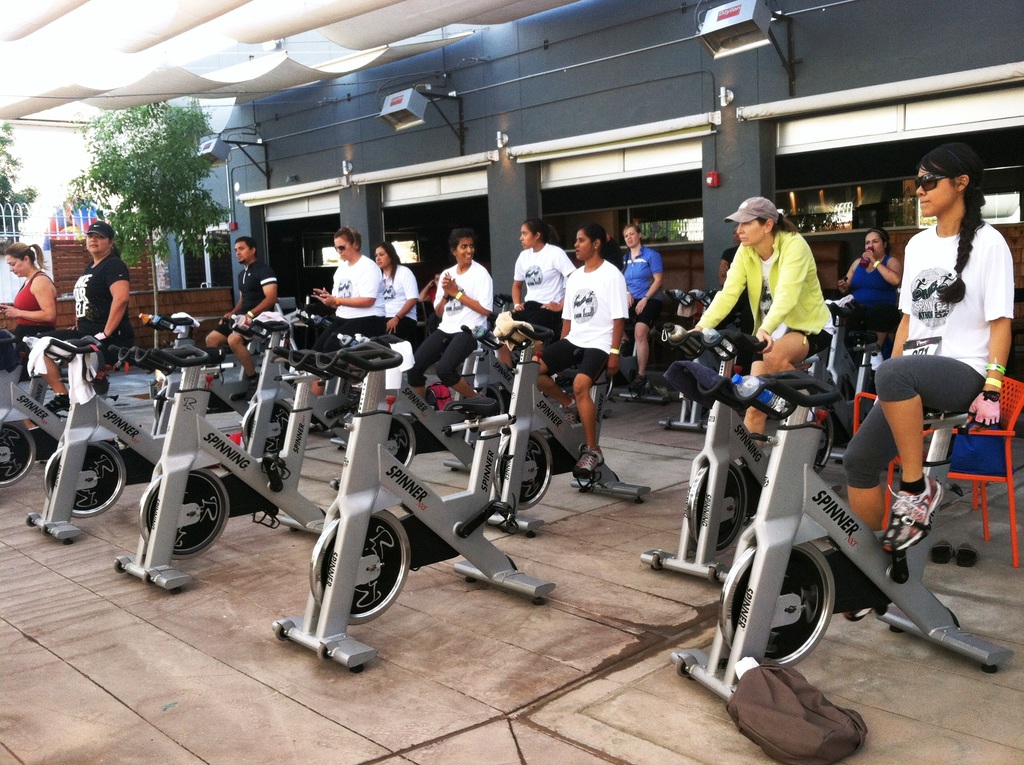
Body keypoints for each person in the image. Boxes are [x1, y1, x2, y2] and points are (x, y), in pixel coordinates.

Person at [844, 143, 1013, 553]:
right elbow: (907, 321)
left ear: (961, 183)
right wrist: (887, 386)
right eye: (917, 182)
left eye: (929, 181)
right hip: (912, 374)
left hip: (964, 371)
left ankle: (915, 487)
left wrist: (992, 387)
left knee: (893, 371)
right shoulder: (918, 245)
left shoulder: (990, 243)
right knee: (858, 461)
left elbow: (1001, 324)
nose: (918, 190)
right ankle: (873, 565)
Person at [696, 197, 831, 437]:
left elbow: (787, 295)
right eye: (738, 224)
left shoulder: (794, 245)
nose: (739, 230)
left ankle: (809, 413)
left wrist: (765, 328)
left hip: (809, 326)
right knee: (754, 406)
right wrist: (700, 328)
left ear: (768, 225)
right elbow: (728, 293)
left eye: (746, 224)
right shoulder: (745, 251)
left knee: (775, 357)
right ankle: (752, 461)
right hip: (769, 332)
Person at [536, 223, 629, 476]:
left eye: (581, 240)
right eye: (576, 240)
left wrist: (614, 353)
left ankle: (593, 450)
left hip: (601, 342)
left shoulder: (612, 275)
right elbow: (567, 318)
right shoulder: (575, 277)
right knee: (532, 369)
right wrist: (560, 349)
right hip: (575, 338)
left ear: (596, 244)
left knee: (580, 385)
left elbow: (618, 319)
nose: (575, 245)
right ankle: (568, 404)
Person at [41, 221, 134, 413]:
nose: (94, 240)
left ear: (111, 242)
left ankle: (88, 401)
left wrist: (106, 333)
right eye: (90, 236)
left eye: (100, 237)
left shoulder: (113, 265)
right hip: (85, 332)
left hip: (109, 338)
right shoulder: (91, 266)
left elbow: (121, 299)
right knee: (40, 342)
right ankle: (62, 395)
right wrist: (79, 322)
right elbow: (89, 300)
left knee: (53, 349)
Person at [407, 228, 493, 401]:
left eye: (471, 246)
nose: (469, 250)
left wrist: (457, 293)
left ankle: (480, 401)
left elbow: (486, 310)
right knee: (414, 368)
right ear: (454, 251)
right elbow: (439, 312)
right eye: (464, 246)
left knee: (444, 370)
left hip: (471, 329)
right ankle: (424, 413)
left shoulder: (481, 273)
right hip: (446, 327)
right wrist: (447, 294)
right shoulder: (448, 274)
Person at [204, 236, 278, 393]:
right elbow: (244, 299)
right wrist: (232, 312)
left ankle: (253, 378)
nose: (237, 252)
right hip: (242, 317)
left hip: (261, 318)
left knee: (233, 340)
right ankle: (213, 381)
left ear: (253, 250)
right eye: (236, 250)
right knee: (212, 339)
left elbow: (271, 298)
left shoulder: (263, 270)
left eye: (241, 249)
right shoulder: (241, 275)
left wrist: (250, 314)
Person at [503, 218, 576, 364]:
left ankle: (539, 370)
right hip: (529, 306)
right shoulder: (524, 256)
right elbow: (517, 285)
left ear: (537, 235)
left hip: (547, 309)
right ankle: (508, 373)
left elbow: (574, 278)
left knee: (530, 336)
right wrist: (517, 304)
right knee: (500, 331)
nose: (521, 238)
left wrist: (561, 305)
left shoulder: (555, 253)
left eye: (525, 233)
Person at [311, 226, 384, 352]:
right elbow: (337, 303)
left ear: (355, 245)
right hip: (343, 318)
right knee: (316, 351)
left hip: (368, 318)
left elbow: (368, 301)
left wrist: (336, 300)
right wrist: (328, 299)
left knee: (331, 346)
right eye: (336, 248)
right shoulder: (341, 269)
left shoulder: (368, 267)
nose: (339, 251)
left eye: (342, 247)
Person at [837, 226, 903, 355]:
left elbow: (896, 280)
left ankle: (874, 353)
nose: (870, 246)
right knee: (845, 313)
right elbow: (845, 288)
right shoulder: (857, 263)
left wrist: (875, 262)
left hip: (882, 309)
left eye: (875, 242)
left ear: (884, 244)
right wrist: (843, 286)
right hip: (859, 308)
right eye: (867, 243)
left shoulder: (891, 261)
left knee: (879, 312)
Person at [621, 223, 663, 394]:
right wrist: (626, 293)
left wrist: (645, 298)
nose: (629, 238)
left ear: (639, 235)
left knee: (640, 332)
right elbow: (622, 280)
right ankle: (625, 341)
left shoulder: (652, 255)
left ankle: (641, 375)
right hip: (631, 298)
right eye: (626, 236)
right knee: (608, 317)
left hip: (651, 298)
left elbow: (658, 280)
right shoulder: (625, 259)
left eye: (632, 234)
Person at [2, 242, 57, 341]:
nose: (11, 269)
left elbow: (49, 315)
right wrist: (11, 308)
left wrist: (18, 312)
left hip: (37, 336)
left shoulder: (40, 281)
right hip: (26, 334)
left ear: (26, 259)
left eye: (13, 264)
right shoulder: (28, 281)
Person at [375, 240, 419, 345]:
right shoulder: (379, 277)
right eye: (376, 255)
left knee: (381, 342)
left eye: (381, 254)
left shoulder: (404, 272)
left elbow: (413, 299)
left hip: (403, 318)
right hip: (384, 317)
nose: (378, 258)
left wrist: (397, 318)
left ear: (391, 255)